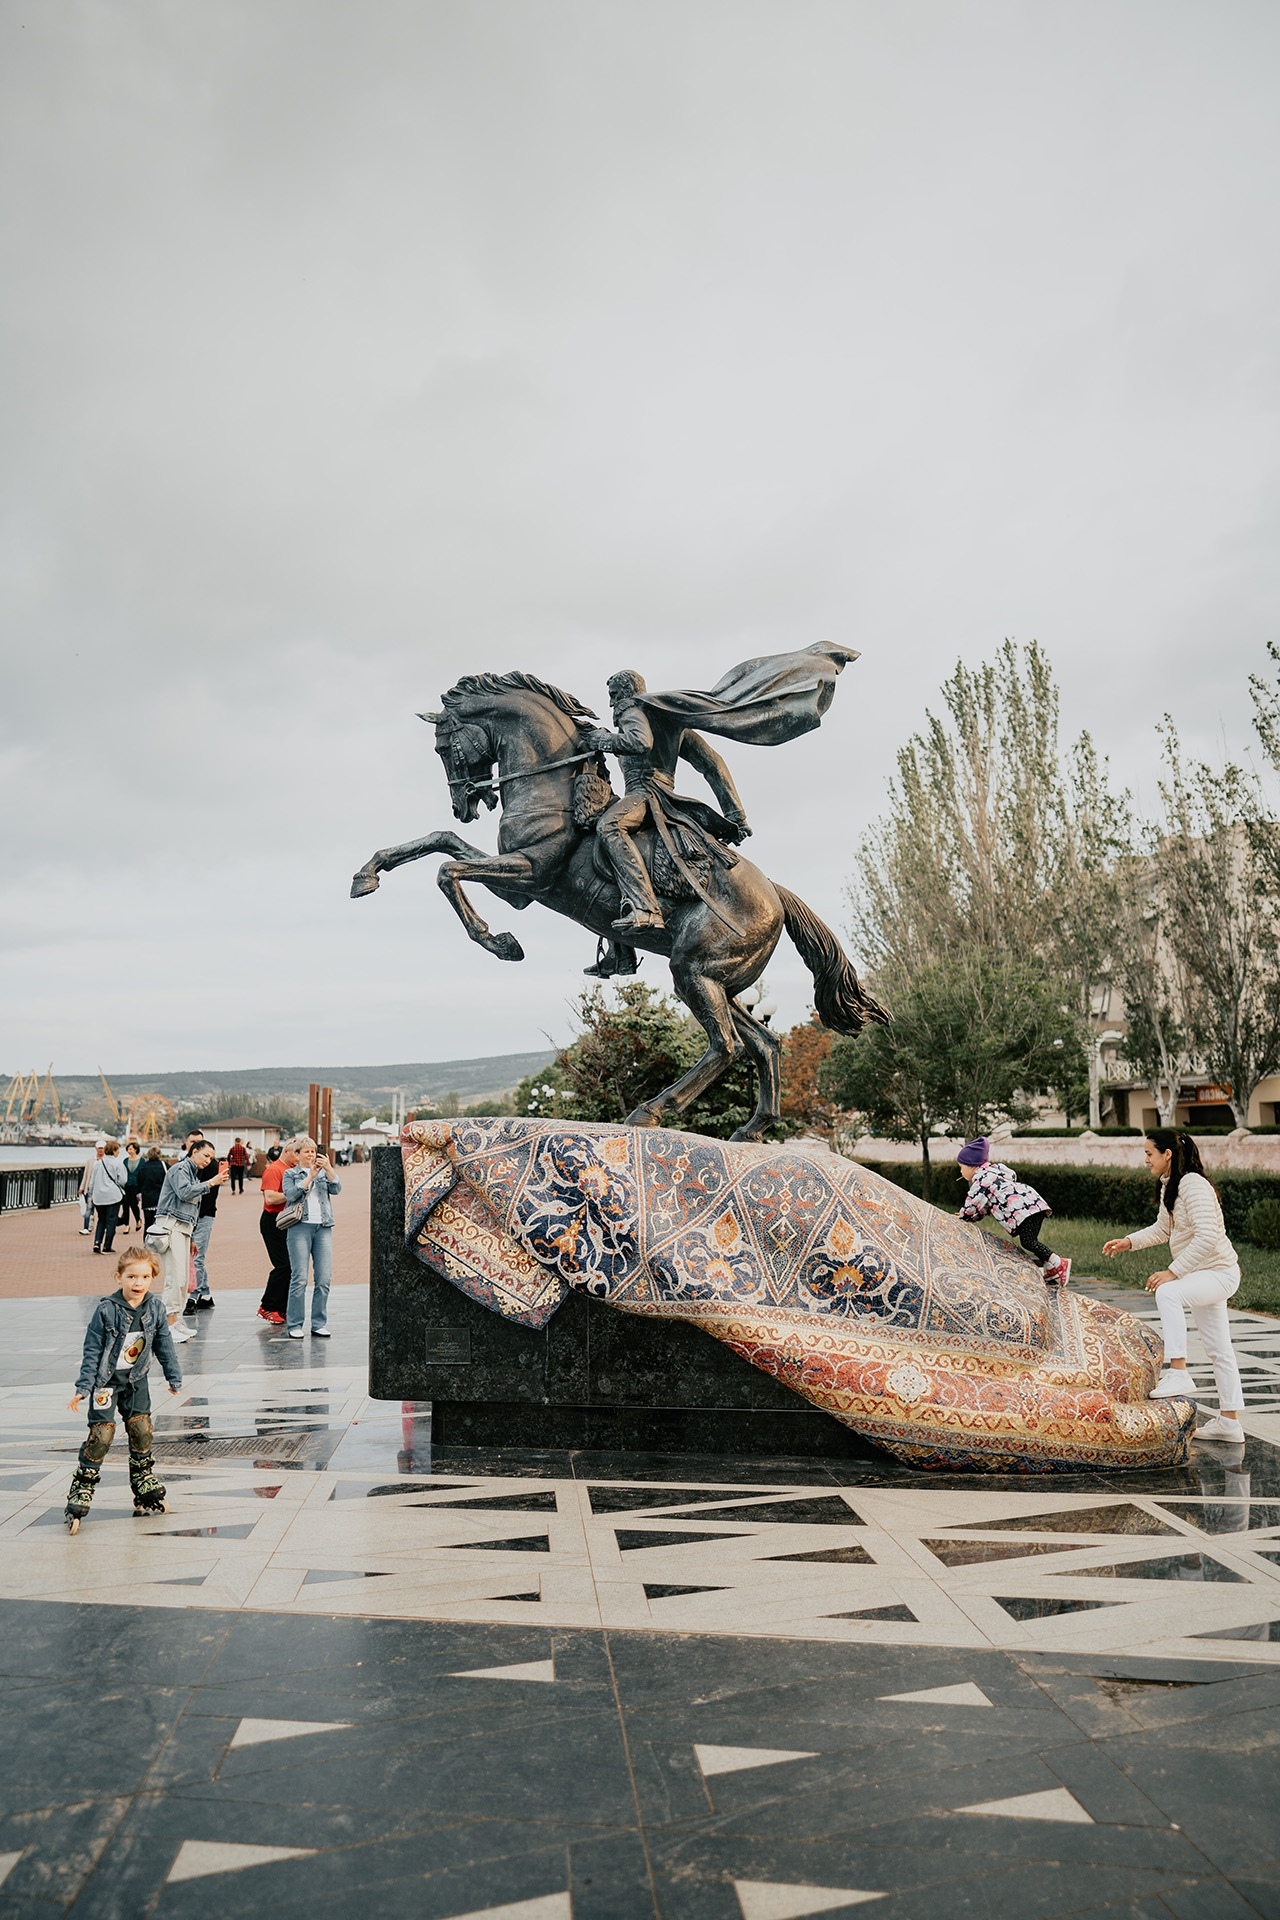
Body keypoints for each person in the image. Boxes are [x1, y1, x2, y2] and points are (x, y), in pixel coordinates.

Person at [1103, 1129, 1247, 1443]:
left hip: (1218, 1272)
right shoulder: (1174, 1184)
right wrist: (1129, 1242)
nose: (1145, 1160)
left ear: (1168, 1154)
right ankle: (1230, 1423)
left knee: (1168, 1290)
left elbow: (1208, 1236)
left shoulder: (1193, 1183)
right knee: (1220, 1351)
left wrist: (1173, 1271)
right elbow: (1162, 1229)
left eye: (1149, 1154)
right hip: (1203, 1274)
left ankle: (1179, 1370)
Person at [64, 1245, 181, 1531]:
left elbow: (164, 1344)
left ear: (152, 1278)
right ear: (119, 1278)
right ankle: (82, 1486)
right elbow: (92, 1350)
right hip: (106, 1383)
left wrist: (173, 1376)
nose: (137, 1283)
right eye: (131, 1277)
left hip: (135, 1380)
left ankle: (142, 1479)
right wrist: (83, 1387)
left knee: (142, 1430)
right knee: (101, 1436)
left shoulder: (155, 1307)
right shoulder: (106, 1310)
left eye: (143, 1277)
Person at [955, 1137, 1071, 1286]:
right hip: (1031, 1205)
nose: (960, 1171)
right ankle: (1051, 1268)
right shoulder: (994, 1172)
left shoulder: (983, 1180)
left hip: (1026, 1210)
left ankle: (1058, 1263)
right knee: (1029, 1240)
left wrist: (964, 1215)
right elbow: (983, 1207)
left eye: (961, 1167)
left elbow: (974, 1203)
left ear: (971, 1165)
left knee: (1028, 1241)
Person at [150, 1141, 228, 1345]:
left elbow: (189, 1206)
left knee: (182, 1279)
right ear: (194, 1152)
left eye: (211, 1157)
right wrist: (212, 1182)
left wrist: (191, 1237)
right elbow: (185, 1193)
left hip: (182, 1229)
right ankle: (168, 1324)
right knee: (174, 1277)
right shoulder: (180, 1169)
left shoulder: (191, 1172)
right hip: (172, 1226)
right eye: (205, 1155)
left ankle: (174, 1321)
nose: (208, 1160)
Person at [283, 1135, 341, 1338]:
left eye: (313, 1150)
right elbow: (290, 1195)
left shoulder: (324, 1172)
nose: (311, 1154)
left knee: (324, 1278)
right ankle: (295, 1324)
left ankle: (318, 1323)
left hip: (323, 1226)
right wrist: (310, 1177)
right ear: (297, 1154)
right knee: (299, 1278)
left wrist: (328, 1168)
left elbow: (337, 1188)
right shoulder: (290, 1173)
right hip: (299, 1227)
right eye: (306, 1151)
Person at [257, 1142, 296, 1324]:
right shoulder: (275, 1170)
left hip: (286, 1220)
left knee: (290, 1267)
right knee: (283, 1266)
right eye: (297, 1152)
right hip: (273, 1222)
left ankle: (281, 1307)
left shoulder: (292, 1169)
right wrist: (294, 1193)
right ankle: (267, 1306)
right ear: (286, 1151)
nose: (299, 1157)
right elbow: (270, 1198)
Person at [186, 1151, 223, 1314]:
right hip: (188, 1216)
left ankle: (193, 1296)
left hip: (204, 1215)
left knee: (196, 1257)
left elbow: (207, 1195)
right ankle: (205, 1295)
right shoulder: (185, 1167)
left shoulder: (212, 1167)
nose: (206, 1159)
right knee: (196, 1257)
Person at [89, 1139, 130, 1255]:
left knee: (101, 1220)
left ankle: (97, 1243)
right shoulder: (118, 1164)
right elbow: (123, 1180)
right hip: (113, 1196)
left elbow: (92, 1181)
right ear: (114, 1150)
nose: (119, 1152)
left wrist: (91, 1194)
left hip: (98, 1197)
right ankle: (107, 1246)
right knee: (111, 1221)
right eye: (118, 1150)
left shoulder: (98, 1163)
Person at [137, 1145, 167, 1233]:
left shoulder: (143, 1167)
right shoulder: (164, 1165)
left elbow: (139, 1182)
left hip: (147, 1200)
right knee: (160, 1225)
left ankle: (147, 1244)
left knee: (148, 1224)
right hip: (161, 1199)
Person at [118, 1139, 144, 1232]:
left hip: (136, 1186)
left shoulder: (142, 1161)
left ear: (136, 1149)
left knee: (134, 1204)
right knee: (125, 1205)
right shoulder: (125, 1161)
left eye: (131, 1149)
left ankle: (138, 1220)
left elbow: (143, 1174)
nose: (129, 1151)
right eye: (128, 1149)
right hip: (126, 1185)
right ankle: (127, 1225)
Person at [77, 1149, 101, 1235]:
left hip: (102, 1190)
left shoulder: (106, 1161)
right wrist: (82, 1187)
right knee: (89, 1209)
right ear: (96, 1149)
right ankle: (86, 1227)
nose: (100, 1150)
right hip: (90, 1189)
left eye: (102, 1148)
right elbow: (86, 1175)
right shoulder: (90, 1161)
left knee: (101, 1210)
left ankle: (102, 1227)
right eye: (99, 1148)